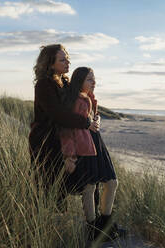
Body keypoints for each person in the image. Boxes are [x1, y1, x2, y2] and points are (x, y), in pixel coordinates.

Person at [28, 44, 99, 211]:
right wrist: (86, 123)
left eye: (67, 58)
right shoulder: (44, 85)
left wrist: (96, 117)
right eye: (62, 59)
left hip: (67, 140)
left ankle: (97, 225)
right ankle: (53, 228)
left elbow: (84, 101)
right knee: (52, 189)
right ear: (50, 63)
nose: (68, 62)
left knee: (90, 182)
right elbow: (58, 115)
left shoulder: (65, 83)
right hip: (46, 143)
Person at [59, 67, 123, 241]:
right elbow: (66, 130)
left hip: (95, 142)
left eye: (94, 79)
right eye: (89, 79)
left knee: (112, 182)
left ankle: (105, 224)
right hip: (83, 145)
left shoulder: (88, 98)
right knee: (89, 187)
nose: (94, 82)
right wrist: (69, 155)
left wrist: (97, 117)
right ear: (79, 81)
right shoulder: (74, 100)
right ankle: (93, 230)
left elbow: (93, 115)